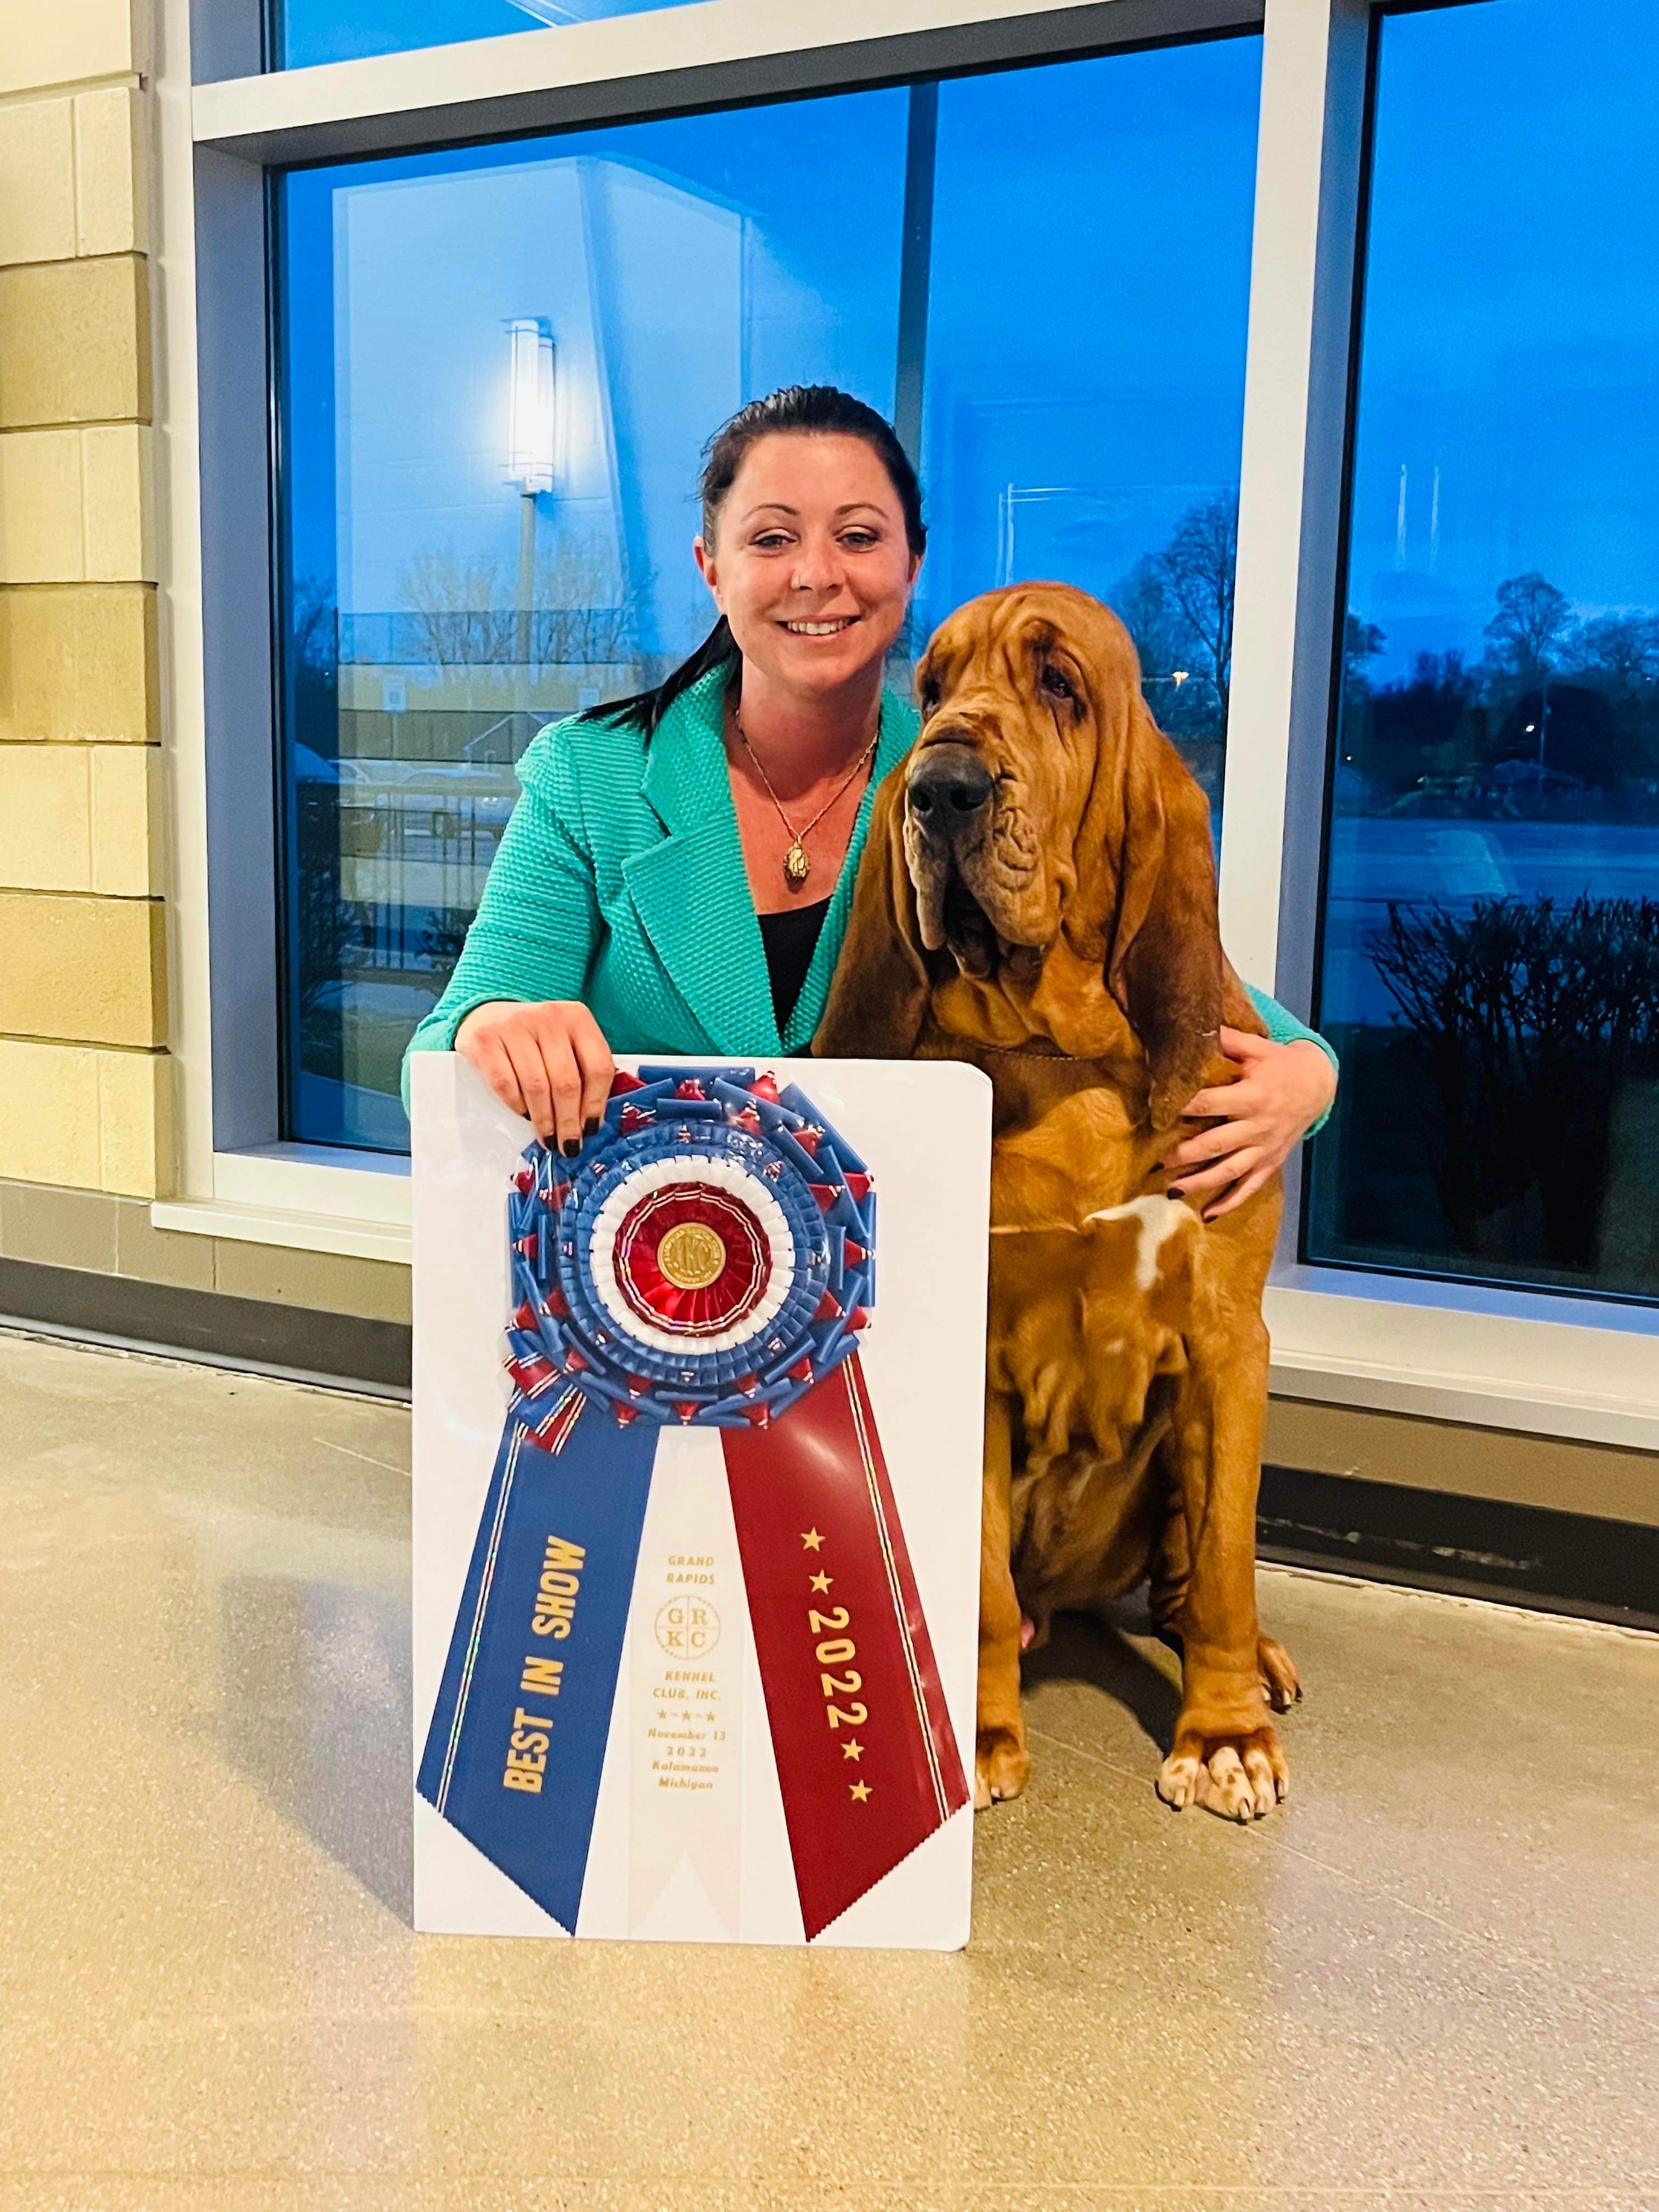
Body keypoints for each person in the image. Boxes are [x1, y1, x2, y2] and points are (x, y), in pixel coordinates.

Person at [403, 386, 1336, 1221]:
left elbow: (1167, 960)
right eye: (772, 539)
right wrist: (493, 1027)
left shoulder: (965, 785)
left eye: (858, 537)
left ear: (911, 564)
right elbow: (440, 1051)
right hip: (638, 1295)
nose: (818, 574)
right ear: (712, 568)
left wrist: (1307, 1074)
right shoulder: (588, 771)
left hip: (894, 1301)